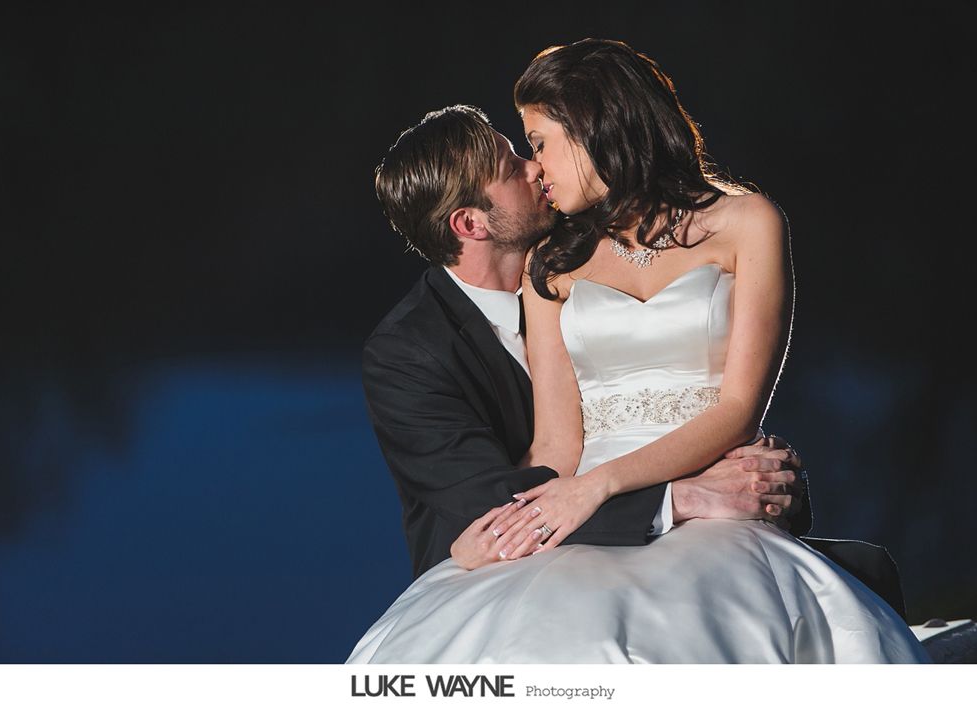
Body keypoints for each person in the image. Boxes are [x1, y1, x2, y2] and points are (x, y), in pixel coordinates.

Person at [347, 39, 927, 662]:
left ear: (592, 128)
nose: (535, 168)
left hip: (708, 496)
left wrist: (616, 488)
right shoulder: (538, 273)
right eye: (520, 157)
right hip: (599, 510)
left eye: (537, 145)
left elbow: (737, 408)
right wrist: (492, 530)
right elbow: (554, 448)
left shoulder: (748, 222)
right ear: (471, 224)